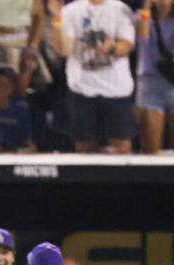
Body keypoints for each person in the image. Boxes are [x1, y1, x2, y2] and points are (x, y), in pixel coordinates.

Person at [47, 0, 137, 153]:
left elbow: (126, 46)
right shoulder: (71, 10)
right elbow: (63, 50)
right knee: (84, 147)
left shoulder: (120, 9)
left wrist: (112, 47)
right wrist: (57, 18)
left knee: (122, 146)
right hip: (82, 89)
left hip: (116, 91)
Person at [134, 0, 174, 154]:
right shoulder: (140, 15)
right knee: (150, 152)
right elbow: (142, 40)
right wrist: (146, 8)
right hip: (150, 85)